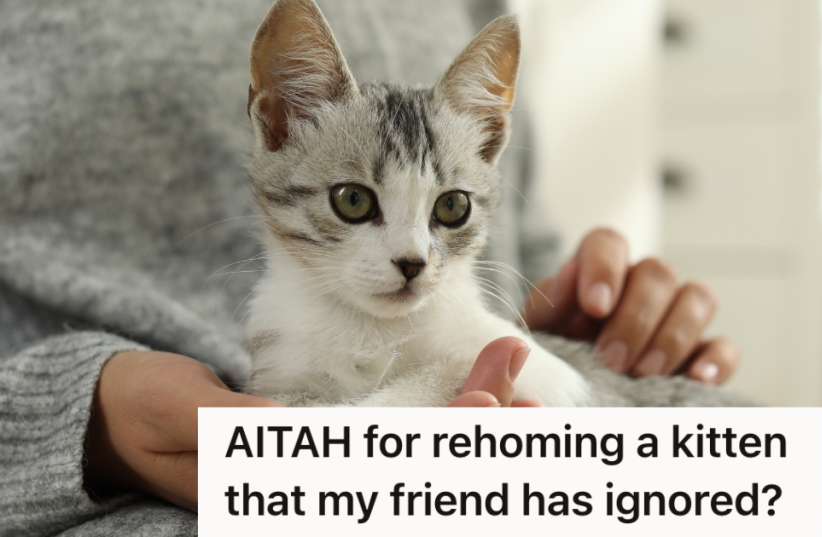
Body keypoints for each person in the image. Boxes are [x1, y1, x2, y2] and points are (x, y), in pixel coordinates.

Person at [0, 1, 738, 534]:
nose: (414, 256)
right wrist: (76, 422)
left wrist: (566, 311)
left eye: (444, 212)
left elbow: (510, 246)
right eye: (356, 200)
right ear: (280, 121)